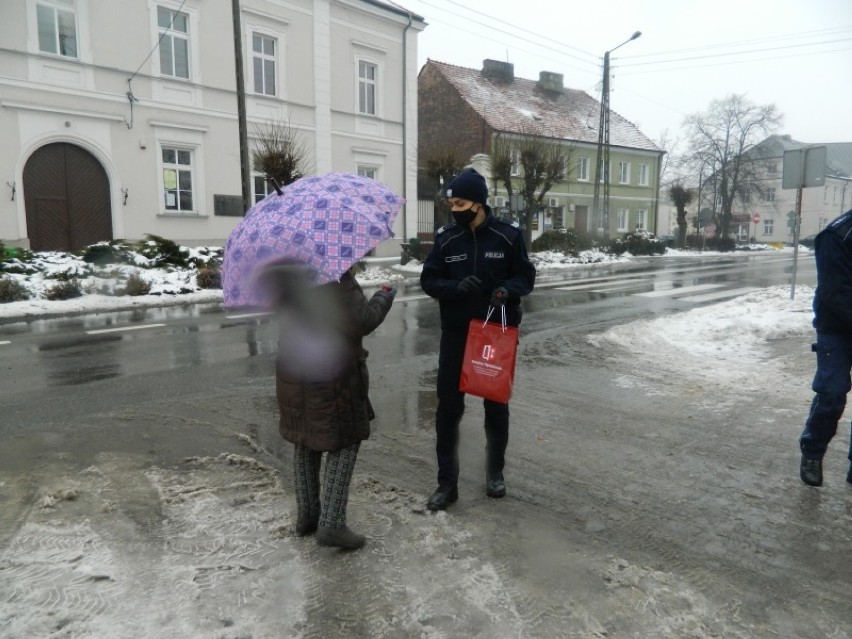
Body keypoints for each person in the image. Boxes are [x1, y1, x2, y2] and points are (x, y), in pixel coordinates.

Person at [420, 167, 536, 510]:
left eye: (461, 202)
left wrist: (507, 289)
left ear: (480, 203)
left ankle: (494, 473)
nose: (455, 209)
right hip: (456, 335)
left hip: (494, 336)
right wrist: (454, 288)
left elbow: (526, 276)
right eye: (451, 203)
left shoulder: (507, 236)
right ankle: (447, 484)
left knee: (496, 408)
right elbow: (428, 281)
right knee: (448, 411)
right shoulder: (446, 238)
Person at [270, 262, 396, 547]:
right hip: (332, 374)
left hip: (293, 369)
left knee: (305, 439)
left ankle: (308, 517)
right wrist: (383, 298)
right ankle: (332, 524)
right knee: (346, 440)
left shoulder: (290, 272)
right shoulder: (333, 275)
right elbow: (361, 321)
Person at [799, 208, 852, 487]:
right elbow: (835, 293)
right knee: (831, 394)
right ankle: (812, 451)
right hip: (836, 327)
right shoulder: (838, 235)